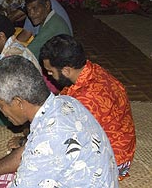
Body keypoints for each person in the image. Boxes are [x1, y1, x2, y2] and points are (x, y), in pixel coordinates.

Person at [0, 55, 119, 188]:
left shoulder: (48, 139)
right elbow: (27, 151)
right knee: (5, 175)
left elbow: (37, 152)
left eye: (0, 105)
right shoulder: (66, 102)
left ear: (18, 102)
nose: (0, 111)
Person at [40, 34, 136, 180]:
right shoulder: (92, 70)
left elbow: (64, 137)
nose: (48, 75)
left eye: (51, 71)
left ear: (66, 70)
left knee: (44, 164)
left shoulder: (86, 99)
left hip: (113, 162)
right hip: (121, 147)